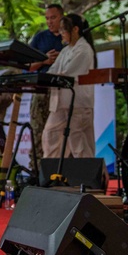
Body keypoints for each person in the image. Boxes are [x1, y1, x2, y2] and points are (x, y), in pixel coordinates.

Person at [41, 14, 96, 159]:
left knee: (80, 145)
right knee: (50, 135)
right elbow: (53, 71)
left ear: (75, 29)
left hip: (77, 104)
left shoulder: (84, 49)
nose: (60, 34)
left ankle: (93, 178)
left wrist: (53, 75)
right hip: (60, 104)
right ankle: (52, 175)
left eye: (63, 30)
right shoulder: (65, 50)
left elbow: (69, 74)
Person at [27, 4, 65, 162]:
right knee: (38, 129)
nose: (50, 22)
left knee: (60, 132)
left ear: (62, 17)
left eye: (53, 18)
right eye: (47, 18)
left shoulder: (68, 37)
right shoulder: (40, 38)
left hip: (62, 89)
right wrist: (44, 60)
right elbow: (27, 66)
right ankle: (35, 167)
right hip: (41, 89)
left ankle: (58, 167)